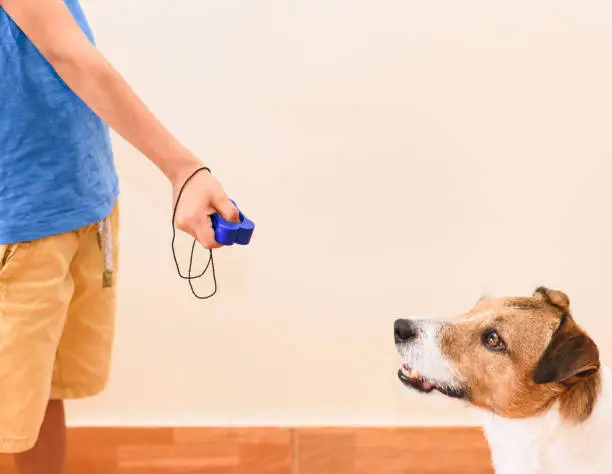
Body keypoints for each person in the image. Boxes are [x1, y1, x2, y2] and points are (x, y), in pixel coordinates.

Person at [0, 0, 239, 472]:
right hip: (20, 229)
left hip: (75, 203)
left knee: (40, 398)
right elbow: (68, 53)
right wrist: (182, 168)